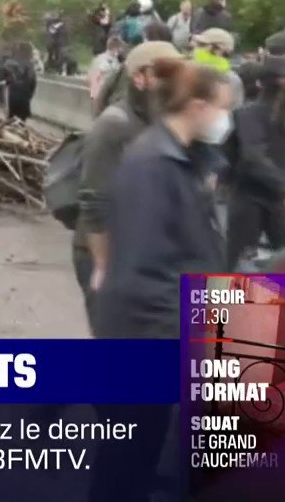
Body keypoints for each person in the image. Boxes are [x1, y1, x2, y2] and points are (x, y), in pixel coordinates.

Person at [89, 58, 232, 502]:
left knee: (137, 454)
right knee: (125, 460)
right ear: (196, 106)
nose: (225, 120)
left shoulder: (177, 158)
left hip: (151, 330)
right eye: (222, 108)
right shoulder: (153, 165)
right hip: (145, 335)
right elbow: (145, 264)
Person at [73, 41, 182, 324]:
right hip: (107, 252)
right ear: (140, 77)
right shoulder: (114, 125)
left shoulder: (162, 123)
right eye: (167, 74)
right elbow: (94, 201)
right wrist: (103, 264)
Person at [225, 56, 285, 266]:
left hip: (277, 200)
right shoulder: (248, 114)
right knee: (233, 261)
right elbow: (253, 157)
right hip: (249, 198)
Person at [191, 28, 244, 107]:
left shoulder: (231, 80)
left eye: (202, 45)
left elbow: (233, 112)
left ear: (218, 50)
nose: (195, 47)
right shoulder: (188, 72)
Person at [87, 37, 124, 103]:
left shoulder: (99, 57)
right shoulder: (108, 60)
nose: (121, 50)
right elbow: (96, 75)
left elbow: (90, 75)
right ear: (115, 48)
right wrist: (95, 95)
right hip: (104, 94)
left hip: (100, 94)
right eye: (120, 48)